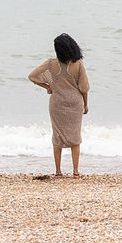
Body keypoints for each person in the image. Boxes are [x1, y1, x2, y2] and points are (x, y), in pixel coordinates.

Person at [26, 33, 89, 178]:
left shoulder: (51, 64)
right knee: (75, 137)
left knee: (57, 137)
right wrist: (86, 104)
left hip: (57, 103)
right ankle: (75, 171)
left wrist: (47, 86)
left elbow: (32, 76)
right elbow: (84, 88)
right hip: (75, 103)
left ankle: (58, 171)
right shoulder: (78, 64)